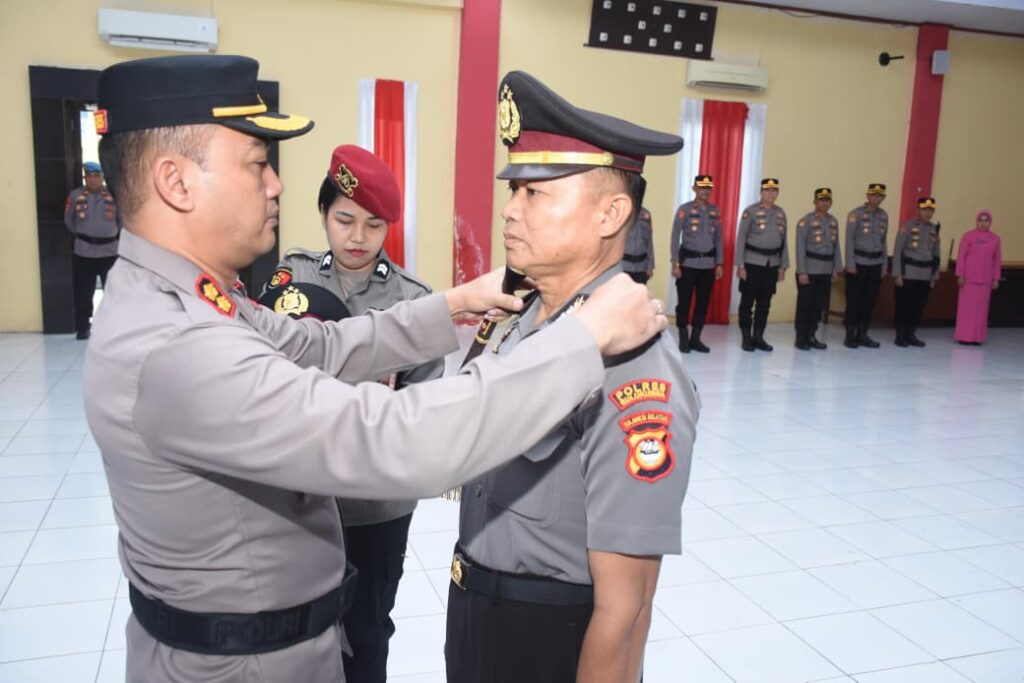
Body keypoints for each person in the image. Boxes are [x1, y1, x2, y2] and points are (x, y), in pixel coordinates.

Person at [82, 54, 666, 683]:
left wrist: (453, 303)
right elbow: (394, 439)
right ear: (176, 183)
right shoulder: (181, 346)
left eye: (535, 192)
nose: (275, 184)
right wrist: (582, 339)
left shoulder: (192, 301)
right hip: (241, 666)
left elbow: (321, 346)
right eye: (255, 163)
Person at [445, 70, 700, 683]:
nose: (510, 209)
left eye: (535, 193)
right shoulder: (521, 316)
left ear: (611, 213)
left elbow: (625, 609)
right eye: (514, 190)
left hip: (549, 638)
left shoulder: (633, 363)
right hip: (475, 609)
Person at [260, 144, 443, 682]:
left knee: (367, 632)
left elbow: (425, 406)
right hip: (298, 497)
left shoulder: (412, 300)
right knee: (297, 630)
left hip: (375, 504)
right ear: (323, 215)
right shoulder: (292, 280)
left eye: (373, 224)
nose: (358, 237)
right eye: (344, 220)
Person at [64, 160, 119, 339]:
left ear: (102, 177)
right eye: (89, 176)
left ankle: (113, 328)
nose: (93, 180)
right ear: (85, 177)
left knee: (112, 291)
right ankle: (83, 327)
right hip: (84, 252)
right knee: (84, 292)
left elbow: (123, 220)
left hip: (109, 251)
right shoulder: (75, 196)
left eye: (96, 176)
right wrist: (85, 234)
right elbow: (69, 220)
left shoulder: (114, 195)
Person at [670, 175, 723, 353]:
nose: (704, 191)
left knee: (702, 304)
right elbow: (675, 236)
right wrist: (675, 262)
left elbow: (719, 239)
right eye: (701, 188)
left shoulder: (715, 211)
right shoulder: (684, 210)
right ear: (694, 189)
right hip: (687, 265)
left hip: (707, 266)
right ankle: (683, 338)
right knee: (684, 304)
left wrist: (720, 263)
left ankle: (695, 338)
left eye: (708, 188)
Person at [735, 178, 788, 352]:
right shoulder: (750, 212)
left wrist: (783, 266)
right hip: (752, 262)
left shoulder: (781, 213)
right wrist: (740, 265)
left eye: (774, 191)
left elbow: (784, 242)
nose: (770, 194)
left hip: (772, 264)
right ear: (761, 192)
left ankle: (758, 336)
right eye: (767, 190)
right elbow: (741, 239)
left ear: (777, 193)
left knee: (765, 303)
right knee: (747, 302)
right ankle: (746, 337)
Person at [794, 187, 842, 350]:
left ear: (831, 202)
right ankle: (801, 338)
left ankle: (811, 335)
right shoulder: (805, 222)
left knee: (818, 306)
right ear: (815, 202)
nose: (824, 203)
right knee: (805, 306)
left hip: (826, 270)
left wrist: (836, 268)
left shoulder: (833, 222)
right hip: (809, 269)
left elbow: (836, 247)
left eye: (827, 200)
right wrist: (802, 271)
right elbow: (800, 248)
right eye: (821, 200)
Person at [843, 182, 889, 348]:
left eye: (880, 196)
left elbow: (884, 242)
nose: (877, 198)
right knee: (854, 300)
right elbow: (849, 240)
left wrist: (884, 265)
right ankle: (850, 334)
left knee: (869, 301)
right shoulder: (856, 214)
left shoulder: (884, 216)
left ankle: (863, 334)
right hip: (858, 263)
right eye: (874, 195)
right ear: (868, 196)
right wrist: (850, 263)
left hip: (875, 264)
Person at [892, 197, 941, 347]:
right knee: (904, 306)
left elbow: (936, 254)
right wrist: (897, 274)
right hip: (908, 273)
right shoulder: (906, 227)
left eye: (930, 210)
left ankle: (911, 333)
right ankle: (900, 335)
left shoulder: (934, 229)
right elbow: (898, 252)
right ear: (917, 210)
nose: (928, 213)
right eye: (924, 210)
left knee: (918, 306)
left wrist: (934, 276)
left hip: (925, 274)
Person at [954, 210, 1002, 345]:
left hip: (985, 280)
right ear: (977, 221)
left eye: (986, 220)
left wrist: (996, 278)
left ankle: (977, 337)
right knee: (967, 310)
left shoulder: (995, 239)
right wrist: (960, 275)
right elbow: (961, 256)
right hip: (968, 279)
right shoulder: (968, 236)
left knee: (981, 311)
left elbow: (997, 260)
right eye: (981, 220)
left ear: (990, 222)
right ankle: (964, 336)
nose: (983, 223)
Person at [620, 206, 654, 284]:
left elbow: (649, 241)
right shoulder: (622, 212)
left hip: (641, 267)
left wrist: (650, 266)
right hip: (624, 266)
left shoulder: (646, 214)